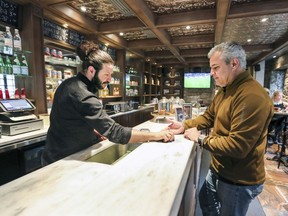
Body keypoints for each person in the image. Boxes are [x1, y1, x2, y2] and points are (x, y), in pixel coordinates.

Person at [167, 41, 274, 216]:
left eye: (215, 68)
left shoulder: (252, 96)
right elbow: (209, 116)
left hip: (238, 179)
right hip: (219, 168)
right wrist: (185, 125)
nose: (211, 73)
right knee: (206, 202)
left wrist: (200, 138)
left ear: (234, 64)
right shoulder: (226, 90)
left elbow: (237, 146)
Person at [42, 40, 174, 165]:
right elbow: (115, 132)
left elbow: (71, 120)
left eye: (111, 75)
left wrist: (94, 132)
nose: (110, 79)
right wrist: (156, 135)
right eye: (106, 75)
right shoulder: (83, 94)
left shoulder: (70, 84)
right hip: (62, 160)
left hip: (60, 154)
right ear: (91, 70)